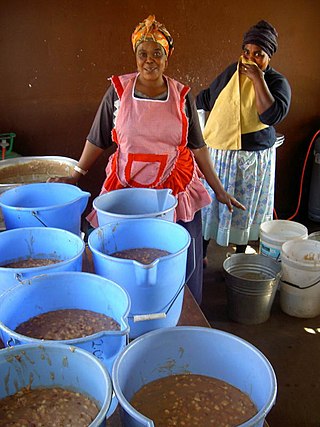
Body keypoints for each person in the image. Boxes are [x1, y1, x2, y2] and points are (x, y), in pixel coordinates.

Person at [49, 15, 244, 304]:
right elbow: (98, 137)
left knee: (176, 261)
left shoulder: (182, 96)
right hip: (126, 186)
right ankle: (129, 307)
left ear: (168, 58)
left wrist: (218, 189)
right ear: (135, 56)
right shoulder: (118, 92)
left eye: (157, 53)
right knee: (126, 256)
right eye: (143, 53)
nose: (149, 60)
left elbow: (199, 147)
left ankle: (182, 313)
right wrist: (76, 174)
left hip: (174, 190)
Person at [196, 20, 291, 265]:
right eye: (246, 52)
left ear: (268, 56)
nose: (250, 59)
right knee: (213, 202)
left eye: (258, 54)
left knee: (245, 206)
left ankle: (240, 254)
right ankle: (202, 251)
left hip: (254, 159)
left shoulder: (276, 82)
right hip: (223, 155)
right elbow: (207, 97)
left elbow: (270, 115)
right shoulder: (232, 73)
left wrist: (258, 80)